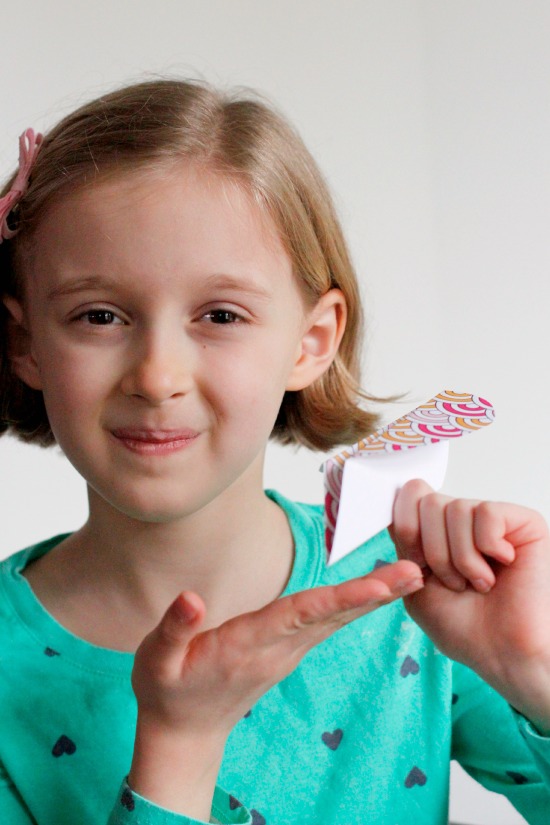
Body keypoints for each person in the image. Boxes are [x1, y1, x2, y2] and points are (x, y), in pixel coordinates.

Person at [0, 78, 548, 825]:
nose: (157, 376)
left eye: (221, 314)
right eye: (100, 315)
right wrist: (179, 746)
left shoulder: (409, 600)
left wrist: (533, 668)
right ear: (25, 341)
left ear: (311, 342)